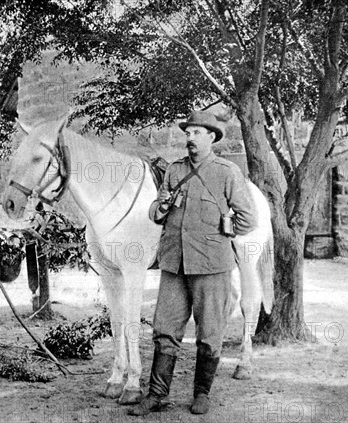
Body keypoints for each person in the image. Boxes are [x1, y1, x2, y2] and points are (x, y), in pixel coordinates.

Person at [128, 110, 259, 416]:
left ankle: (201, 394)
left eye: (197, 133)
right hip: (174, 263)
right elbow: (155, 211)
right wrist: (160, 207)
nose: (190, 139)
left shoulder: (227, 173)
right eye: (188, 134)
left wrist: (225, 231)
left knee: (210, 332)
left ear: (211, 137)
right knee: (164, 329)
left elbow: (248, 218)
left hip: (212, 265)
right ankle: (157, 395)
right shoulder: (175, 171)